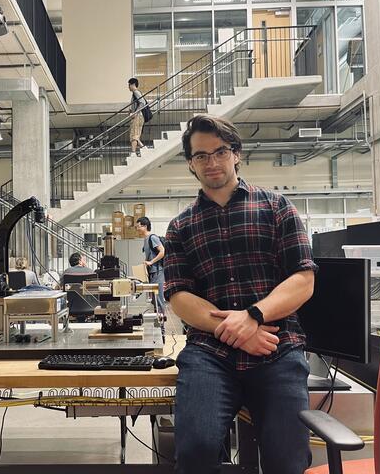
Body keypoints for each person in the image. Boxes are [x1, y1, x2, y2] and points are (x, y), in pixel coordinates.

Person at [164, 114, 317, 474]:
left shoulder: (277, 208)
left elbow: (303, 279)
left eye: (220, 151)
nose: (211, 162)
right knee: (195, 449)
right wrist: (232, 330)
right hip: (209, 354)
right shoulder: (181, 226)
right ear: (190, 164)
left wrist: (254, 316)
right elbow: (179, 295)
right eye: (201, 155)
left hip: (276, 346)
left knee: (288, 458)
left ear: (236, 154)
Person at [135, 216, 165, 314]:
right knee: (154, 299)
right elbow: (149, 256)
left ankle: (162, 324)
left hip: (157, 271)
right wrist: (146, 264)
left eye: (138, 227)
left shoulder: (153, 237)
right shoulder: (145, 239)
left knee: (158, 298)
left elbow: (162, 251)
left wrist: (151, 262)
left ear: (145, 226)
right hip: (151, 272)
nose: (137, 229)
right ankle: (158, 320)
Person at [128, 77, 146, 156]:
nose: (128, 87)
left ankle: (133, 153)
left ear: (133, 84)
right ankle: (143, 148)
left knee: (134, 134)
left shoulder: (136, 92)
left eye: (129, 85)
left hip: (138, 116)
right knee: (134, 134)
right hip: (138, 116)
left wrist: (135, 112)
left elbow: (142, 102)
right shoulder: (135, 93)